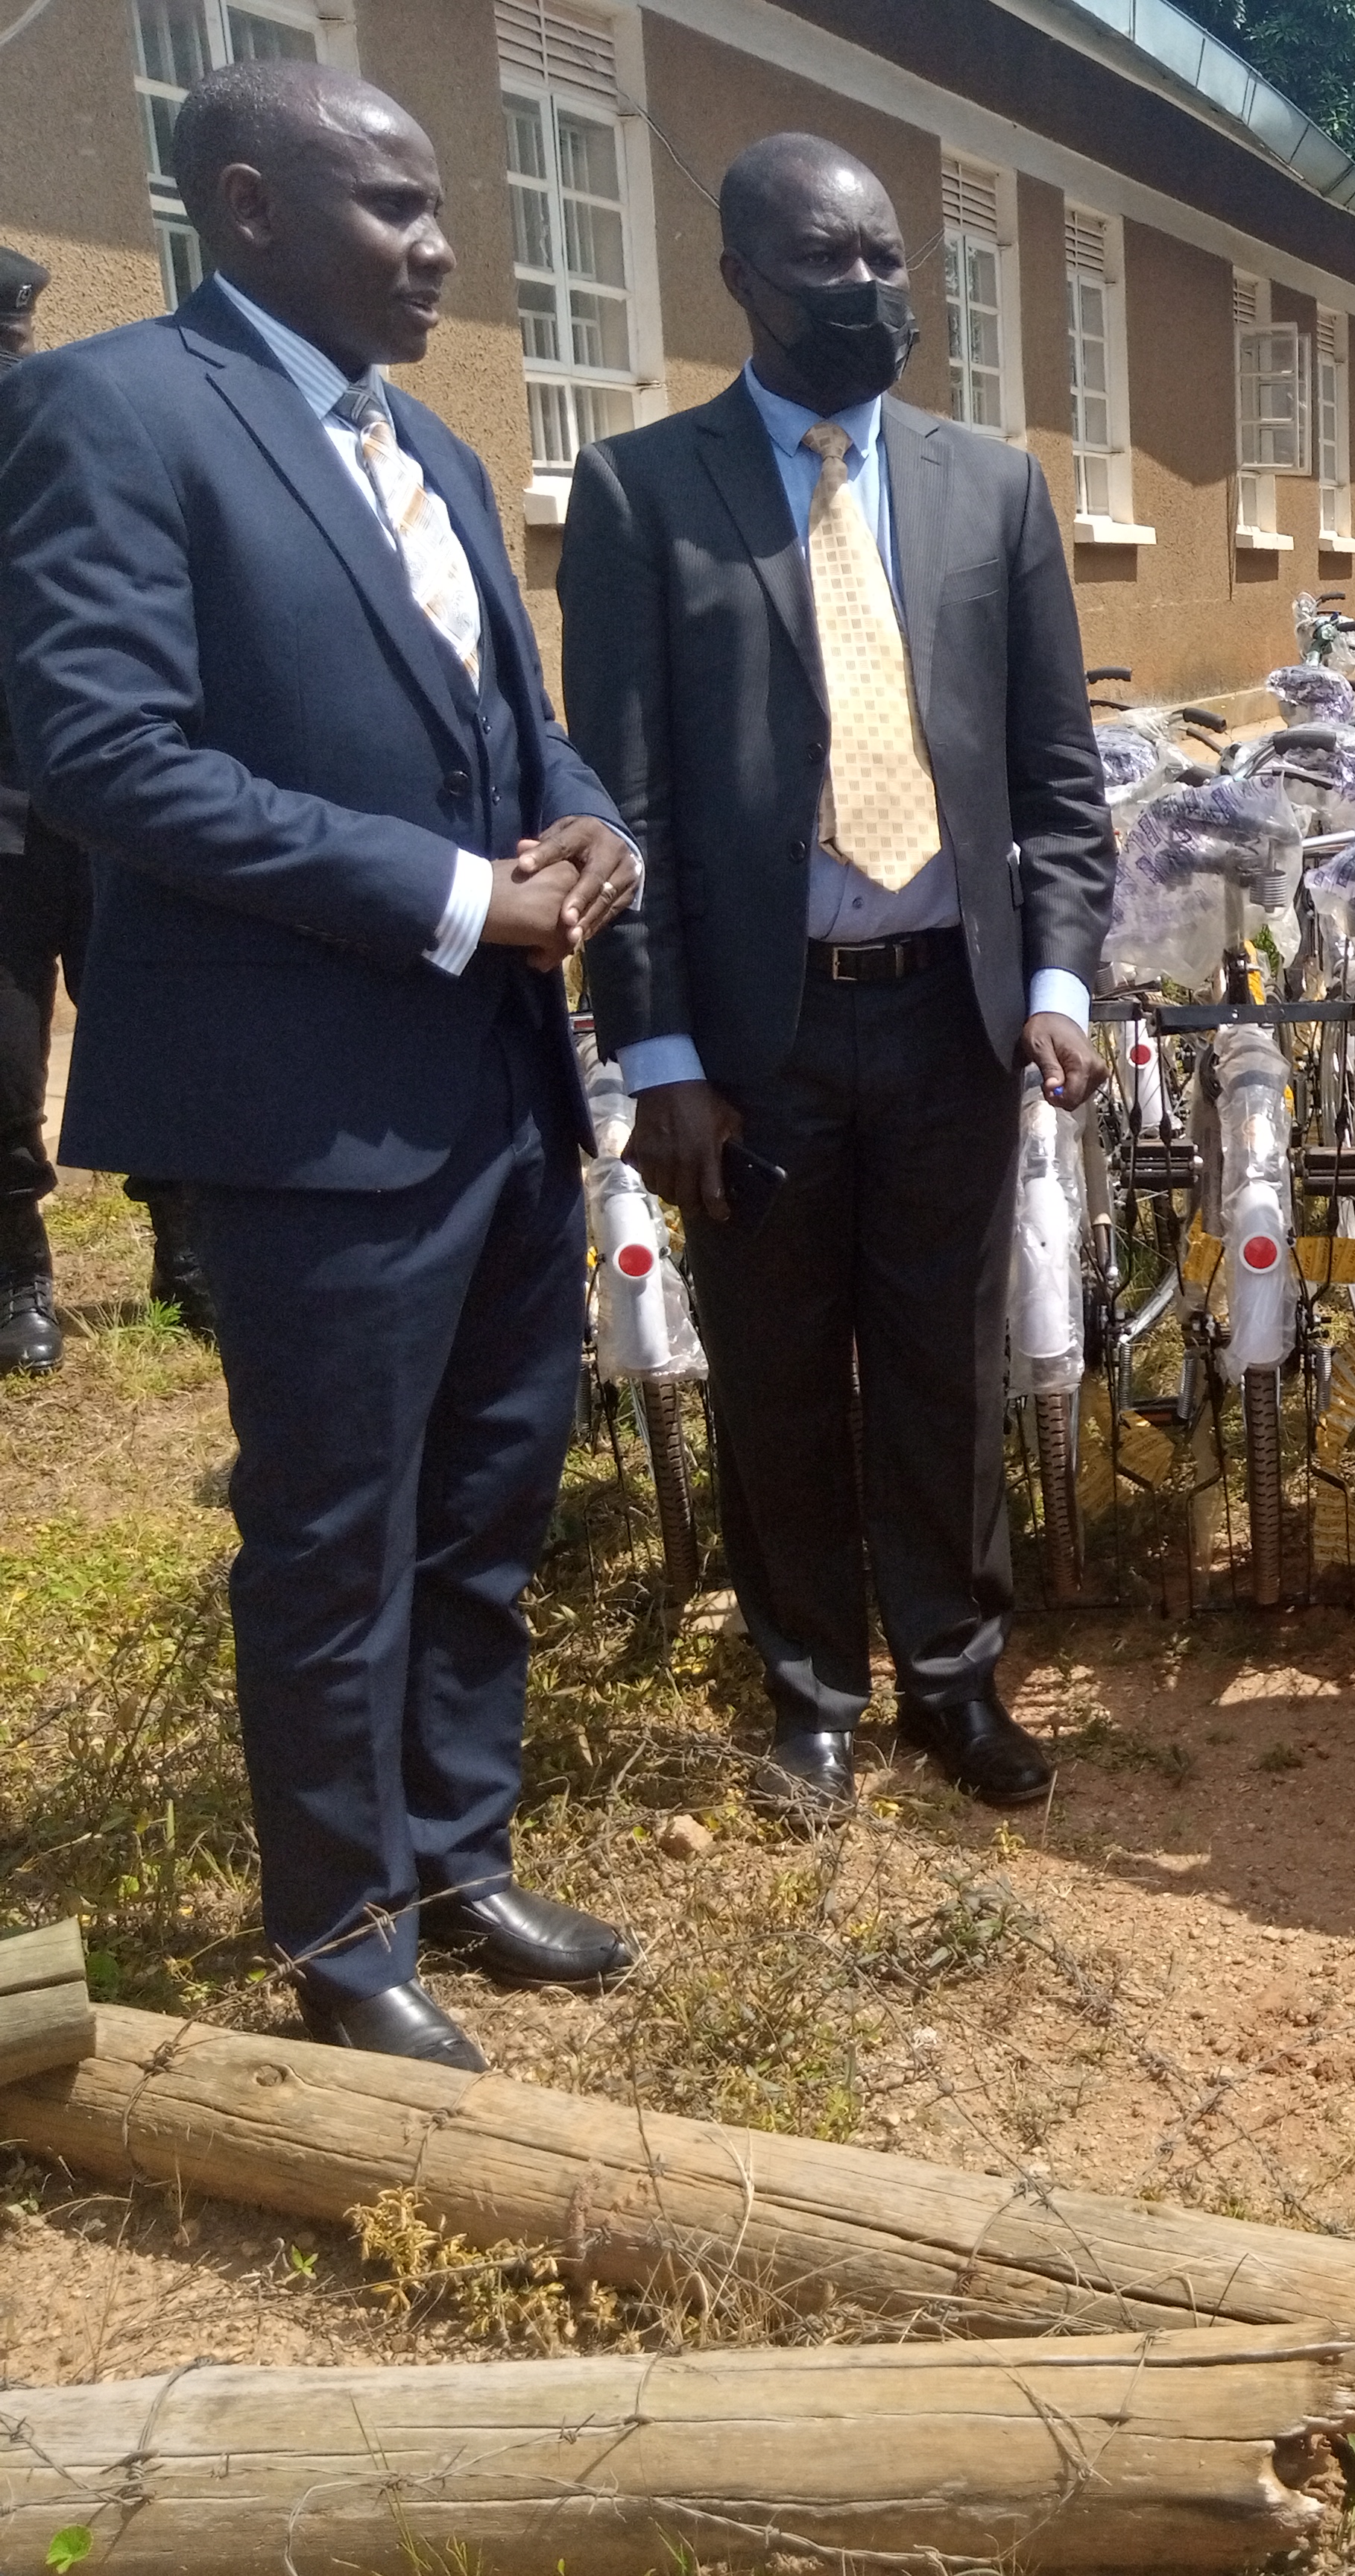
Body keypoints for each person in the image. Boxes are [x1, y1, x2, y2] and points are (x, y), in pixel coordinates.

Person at [0, 63, 642, 2065]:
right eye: (391, 208)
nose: (442, 243)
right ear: (248, 209)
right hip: (302, 1108)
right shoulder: (109, 412)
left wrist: (589, 820)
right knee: (334, 1529)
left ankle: (459, 1855)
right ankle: (343, 1925)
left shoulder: (437, 452)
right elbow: (106, 755)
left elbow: (503, 720)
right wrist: (457, 896)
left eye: (441, 205)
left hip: (499, 1089)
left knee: (484, 1498)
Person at [561, 133, 1114, 1820]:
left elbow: (1054, 776)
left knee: (947, 1368)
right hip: (756, 1032)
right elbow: (622, 795)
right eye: (832, 263)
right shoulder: (645, 492)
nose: (876, 293)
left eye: (891, 264)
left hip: (950, 1009)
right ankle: (808, 1690)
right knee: (780, 1366)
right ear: (738, 273)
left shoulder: (991, 488)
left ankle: (953, 1676)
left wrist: (1063, 985)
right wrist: (655, 1050)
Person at [0, 241, 214, 1375]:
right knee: (2, 1056)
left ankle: (183, 1246)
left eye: (17, 333)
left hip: (99, 799)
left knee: (152, 1025)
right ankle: (15, 1266)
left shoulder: (68, 443)